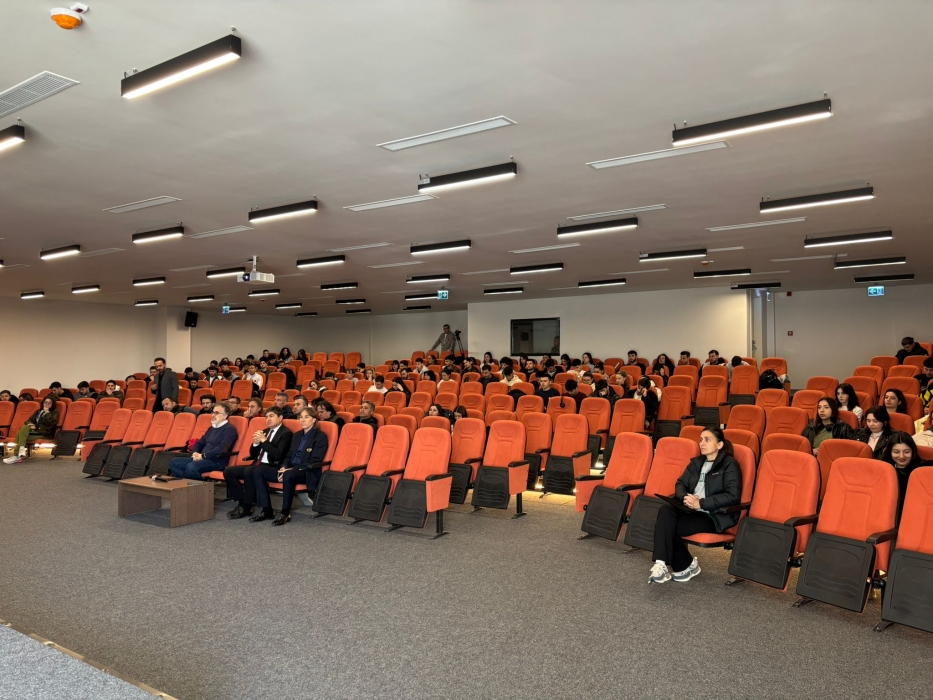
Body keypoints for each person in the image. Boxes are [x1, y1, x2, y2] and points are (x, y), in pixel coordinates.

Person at [650, 428, 742, 584]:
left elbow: (732, 496)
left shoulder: (729, 464)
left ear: (719, 444)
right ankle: (661, 564)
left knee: (670, 526)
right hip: (690, 509)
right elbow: (680, 483)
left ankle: (685, 565)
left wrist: (701, 503)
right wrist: (685, 498)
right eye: (701, 439)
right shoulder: (696, 463)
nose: (702, 443)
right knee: (665, 510)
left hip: (712, 515)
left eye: (707, 440)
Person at [251, 407, 330, 526]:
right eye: (301, 417)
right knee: (258, 471)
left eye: (306, 417)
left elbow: (315, 460)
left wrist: (291, 469)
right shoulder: (297, 435)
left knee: (288, 474)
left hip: (307, 472)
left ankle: (285, 512)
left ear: (314, 420)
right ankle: (267, 510)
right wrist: (283, 466)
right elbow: (289, 455)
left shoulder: (320, 436)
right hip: (290, 470)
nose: (302, 420)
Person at [226, 407, 293, 520]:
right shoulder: (265, 431)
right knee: (229, 471)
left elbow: (278, 455)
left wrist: (264, 441)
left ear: (280, 417)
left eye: (271, 416)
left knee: (250, 470)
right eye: (266, 417)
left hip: (272, 466)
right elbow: (253, 454)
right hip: (257, 463)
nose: (268, 419)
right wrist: (256, 444)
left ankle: (247, 507)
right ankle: (242, 502)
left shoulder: (286, 434)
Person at [168, 404, 238, 479]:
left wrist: (203, 456)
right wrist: (194, 453)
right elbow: (200, 442)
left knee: (191, 466)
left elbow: (223, 448)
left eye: (217, 413)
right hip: (203, 458)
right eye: (213, 412)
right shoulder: (211, 428)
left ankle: (197, 485)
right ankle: (187, 483)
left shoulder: (229, 429)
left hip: (217, 461)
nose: (213, 415)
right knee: (174, 462)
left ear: (225, 416)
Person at [881, 432, 931, 521]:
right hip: (886, 514)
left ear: (913, 451)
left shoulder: (923, 468)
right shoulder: (882, 469)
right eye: (896, 452)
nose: (901, 456)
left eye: (907, 452)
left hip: (916, 515)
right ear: (889, 452)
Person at [4, 396, 59, 463]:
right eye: (45, 402)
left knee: (19, 434)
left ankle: (17, 455)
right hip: (36, 431)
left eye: (49, 403)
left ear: (52, 404)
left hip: (45, 433)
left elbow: (51, 423)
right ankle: (19, 452)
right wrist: (31, 425)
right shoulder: (38, 411)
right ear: (43, 403)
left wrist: (47, 413)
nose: (47, 404)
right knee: (24, 428)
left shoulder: (54, 412)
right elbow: (28, 421)